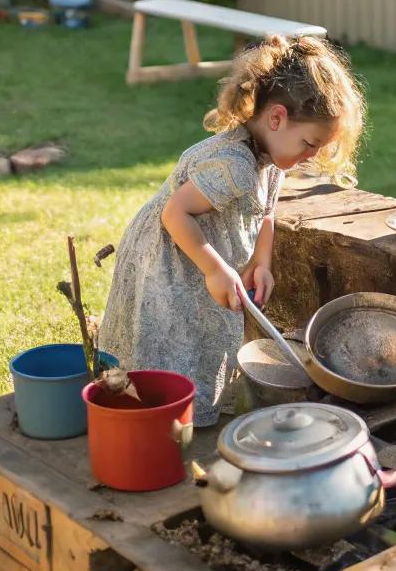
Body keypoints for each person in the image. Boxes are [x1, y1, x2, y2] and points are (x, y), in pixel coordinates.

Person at [100, 34, 364, 427]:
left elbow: (267, 214)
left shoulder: (272, 159)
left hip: (200, 254)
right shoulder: (234, 166)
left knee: (204, 331)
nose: (311, 155)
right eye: (309, 143)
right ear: (277, 118)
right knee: (173, 336)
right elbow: (175, 215)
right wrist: (213, 269)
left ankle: (194, 410)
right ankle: (156, 413)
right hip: (169, 258)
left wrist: (261, 261)